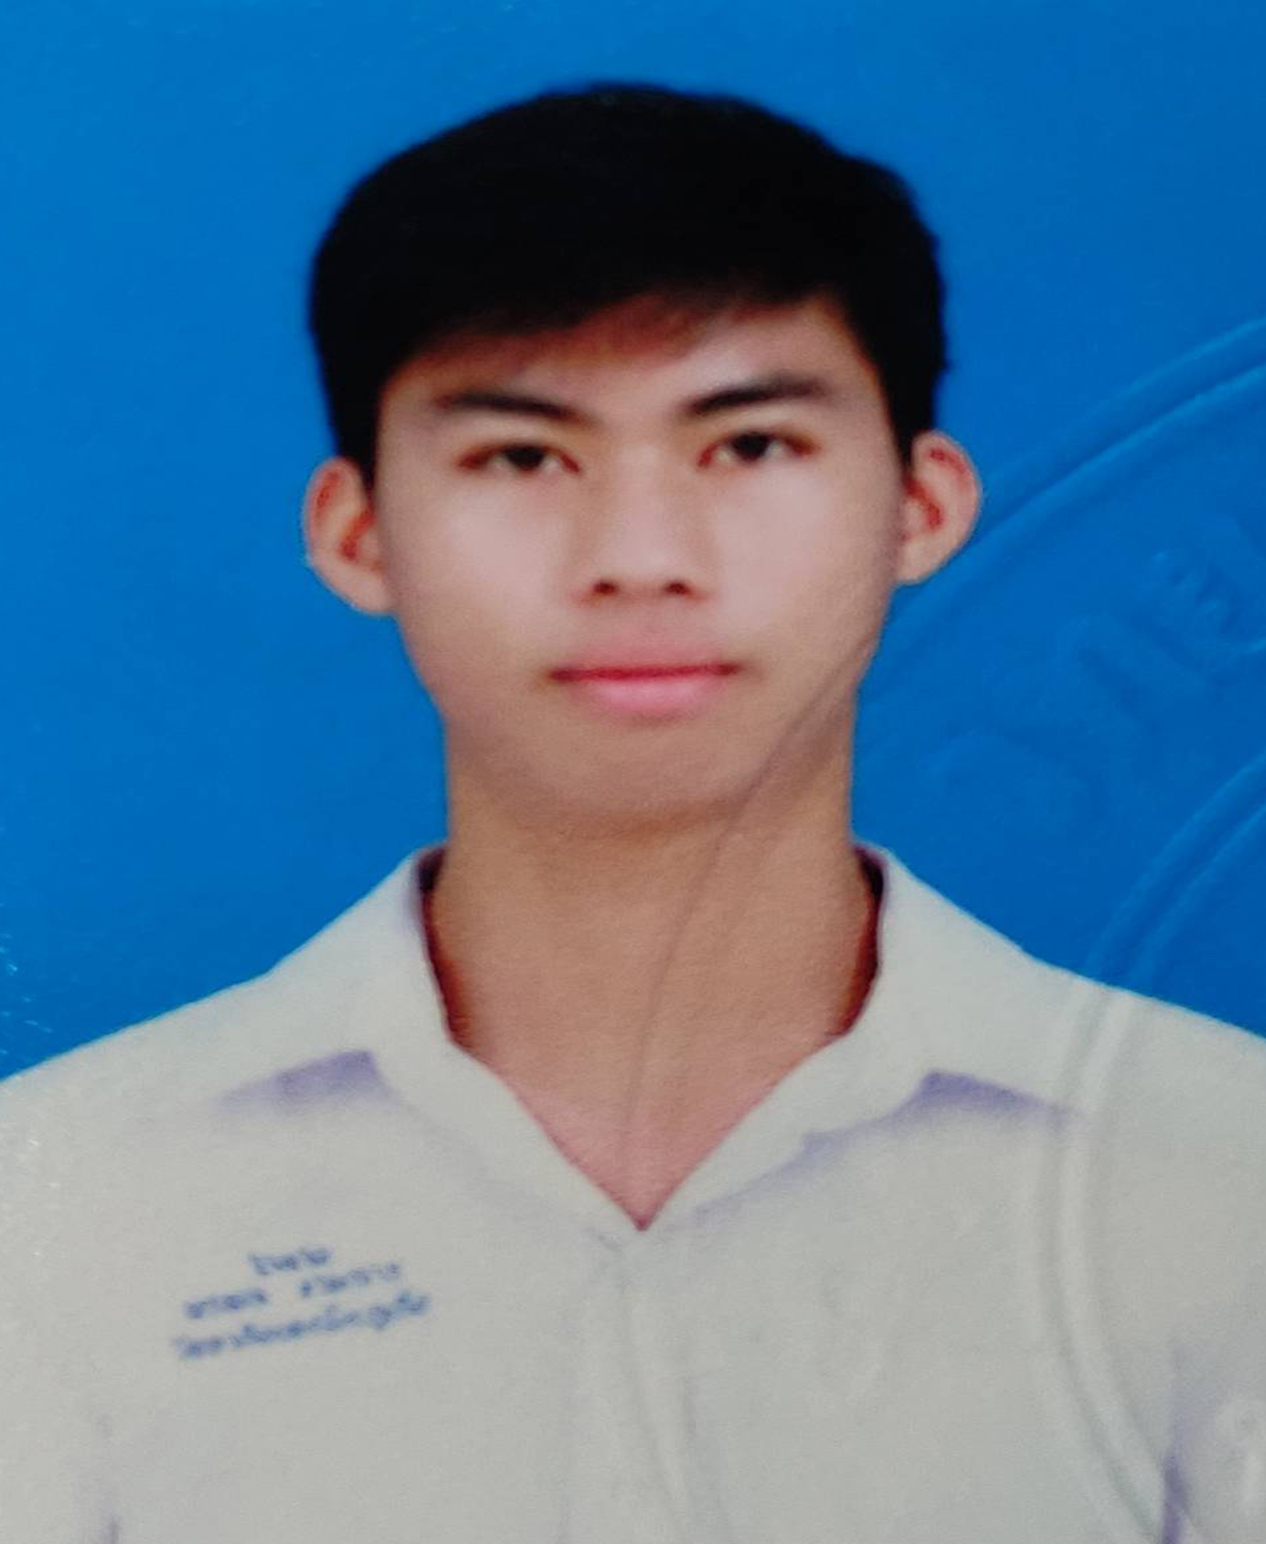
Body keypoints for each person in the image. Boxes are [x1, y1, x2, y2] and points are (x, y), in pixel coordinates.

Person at [2, 81, 1264, 1544]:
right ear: (358, 533)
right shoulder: (57, 1204)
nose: (641, 556)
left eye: (749, 446)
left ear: (921, 507)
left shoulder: (1220, 1174)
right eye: (522, 456)